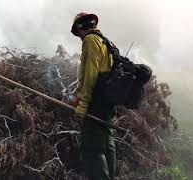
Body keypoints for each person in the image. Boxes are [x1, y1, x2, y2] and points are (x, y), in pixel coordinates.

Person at [70, 12, 116, 180]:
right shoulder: (107, 42)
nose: (79, 37)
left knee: (91, 150)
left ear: (80, 27)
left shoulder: (90, 40)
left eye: (78, 33)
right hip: (108, 103)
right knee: (106, 144)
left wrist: (83, 103)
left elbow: (91, 74)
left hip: (95, 102)